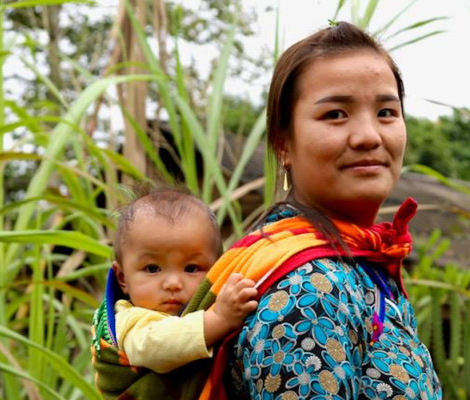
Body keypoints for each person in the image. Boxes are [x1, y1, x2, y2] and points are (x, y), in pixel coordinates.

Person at [184, 21, 442, 399]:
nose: (369, 135)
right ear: (283, 144)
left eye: (386, 112)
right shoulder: (309, 290)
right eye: (336, 114)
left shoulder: (362, 269)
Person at [90, 183, 258, 400]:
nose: (172, 283)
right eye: (152, 269)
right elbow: (157, 345)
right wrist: (219, 319)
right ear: (123, 279)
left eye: (191, 268)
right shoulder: (128, 319)